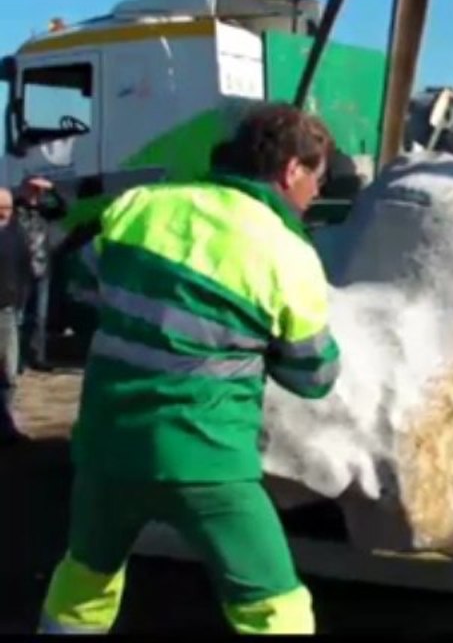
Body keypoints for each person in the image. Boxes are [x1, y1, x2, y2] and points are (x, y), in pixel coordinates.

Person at [38, 104, 342, 635]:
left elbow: (84, 290)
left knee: (85, 581)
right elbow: (314, 375)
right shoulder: (288, 252)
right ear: (292, 170)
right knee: (274, 606)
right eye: (318, 178)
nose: (317, 192)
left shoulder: (138, 207)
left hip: (107, 451)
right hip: (207, 463)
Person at [14, 176, 67, 371]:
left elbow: (63, 209)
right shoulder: (16, 209)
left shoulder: (44, 211)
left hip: (41, 267)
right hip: (20, 269)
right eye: (31, 188)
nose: (34, 192)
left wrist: (52, 188)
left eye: (37, 189)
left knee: (40, 316)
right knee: (19, 316)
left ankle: (38, 357)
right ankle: (17, 359)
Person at [0, 186, 32, 445]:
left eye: (7, 208)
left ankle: (6, 423)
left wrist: (21, 302)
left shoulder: (16, 234)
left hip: (8, 311)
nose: (4, 213)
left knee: (8, 371)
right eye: (0, 209)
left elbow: (25, 270)